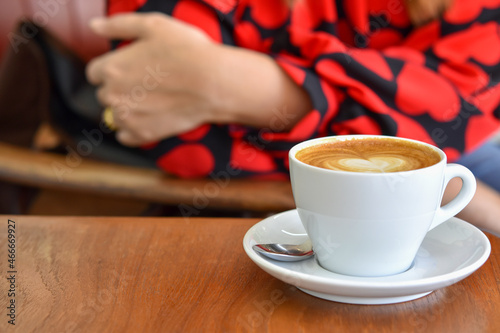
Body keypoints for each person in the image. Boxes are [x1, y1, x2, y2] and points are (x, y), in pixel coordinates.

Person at [83, 0, 500, 235]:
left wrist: (237, 84)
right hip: (274, 201)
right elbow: (158, 107)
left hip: (463, 157)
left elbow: (455, 111)